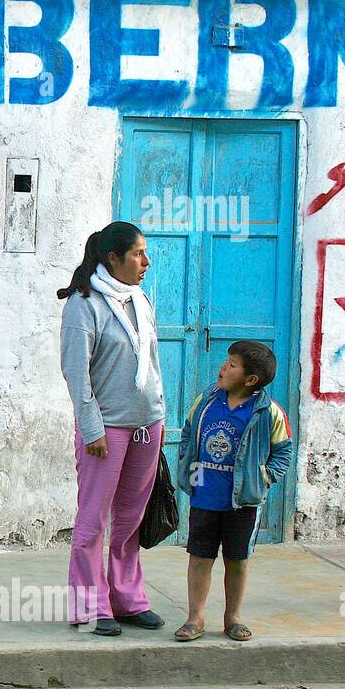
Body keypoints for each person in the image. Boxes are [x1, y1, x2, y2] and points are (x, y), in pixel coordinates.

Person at [58, 222, 167, 636]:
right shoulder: (83, 305)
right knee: (92, 521)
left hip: (146, 425)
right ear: (112, 259)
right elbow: (76, 373)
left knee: (130, 519)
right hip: (106, 430)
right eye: (138, 254)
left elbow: (151, 365)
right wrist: (92, 429)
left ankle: (128, 599)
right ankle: (90, 607)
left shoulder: (139, 300)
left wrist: (160, 414)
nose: (146, 262)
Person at [174, 342, 293, 642]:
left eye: (231, 364)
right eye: (226, 362)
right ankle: (195, 617)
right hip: (205, 496)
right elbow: (189, 432)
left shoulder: (268, 412)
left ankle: (233, 617)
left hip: (243, 503)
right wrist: (190, 472)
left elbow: (284, 452)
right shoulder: (206, 401)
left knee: (237, 559)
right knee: (200, 557)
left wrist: (262, 478)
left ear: (250, 379)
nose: (223, 367)